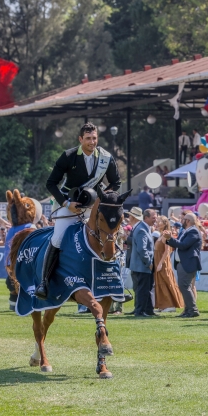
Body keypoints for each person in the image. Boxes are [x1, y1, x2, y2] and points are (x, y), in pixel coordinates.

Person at [41, 122, 121, 300]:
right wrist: (66, 203)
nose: (92, 142)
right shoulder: (68, 156)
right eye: (88, 138)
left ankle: (113, 283)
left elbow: (116, 183)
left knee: (109, 236)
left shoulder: (106, 158)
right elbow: (51, 183)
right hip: (69, 206)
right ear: (80, 139)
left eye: (94, 138)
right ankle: (44, 282)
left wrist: (101, 198)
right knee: (58, 238)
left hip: (92, 207)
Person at [164, 212, 202, 318]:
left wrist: (170, 239)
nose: (181, 221)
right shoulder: (186, 231)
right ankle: (188, 310)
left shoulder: (193, 231)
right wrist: (169, 238)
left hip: (188, 263)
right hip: (183, 263)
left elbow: (183, 245)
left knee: (185, 286)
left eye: (183, 219)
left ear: (188, 221)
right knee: (184, 286)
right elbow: (179, 243)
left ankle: (193, 310)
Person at [153, 216, 183, 313]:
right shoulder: (161, 234)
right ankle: (163, 305)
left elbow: (167, 251)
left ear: (165, 223)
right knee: (160, 282)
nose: (157, 223)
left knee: (166, 282)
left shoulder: (166, 234)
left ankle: (170, 305)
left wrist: (160, 263)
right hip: (158, 261)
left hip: (163, 262)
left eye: (160, 221)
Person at [130, 209, 157, 317]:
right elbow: (142, 249)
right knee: (143, 289)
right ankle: (140, 311)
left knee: (147, 288)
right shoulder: (142, 229)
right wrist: (149, 263)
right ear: (146, 218)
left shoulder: (144, 228)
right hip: (143, 265)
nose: (155, 220)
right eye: (153, 218)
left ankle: (149, 310)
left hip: (142, 265)